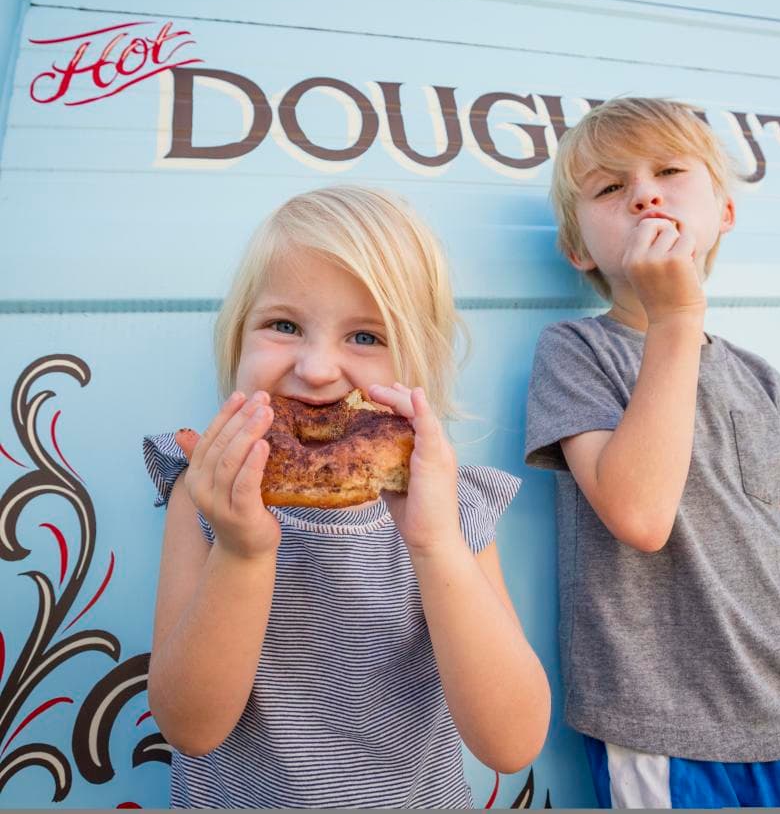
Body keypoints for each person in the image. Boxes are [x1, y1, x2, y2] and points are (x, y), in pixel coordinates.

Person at [523, 98, 780, 808]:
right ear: (578, 249)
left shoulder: (760, 378)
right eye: (610, 188)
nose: (644, 192)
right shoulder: (576, 351)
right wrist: (676, 318)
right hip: (676, 744)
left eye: (670, 171)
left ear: (725, 214)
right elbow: (640, 517)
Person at [143, 185, 550, 808]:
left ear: (417, 366)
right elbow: (190, 728)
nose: (316, 367)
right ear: (236, 342)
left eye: (365, 337)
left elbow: (511, 741)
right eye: (283, 325)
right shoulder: (206, 493)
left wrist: (436, 546)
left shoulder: (449, 508)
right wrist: (243, 552)